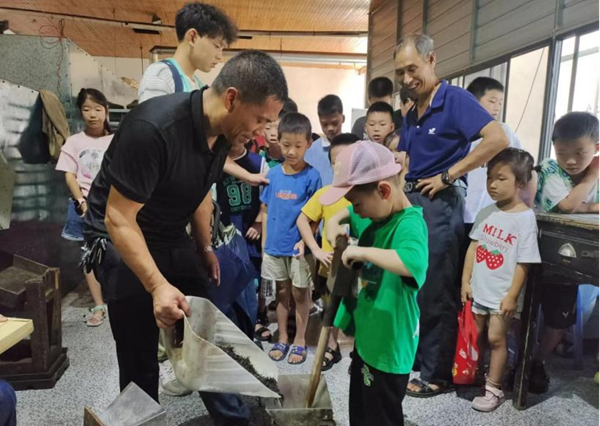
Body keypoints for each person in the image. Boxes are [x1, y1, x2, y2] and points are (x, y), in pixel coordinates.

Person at [82, 50, 288, 426]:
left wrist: (203, 246)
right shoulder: (153, 128)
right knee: (140, 354)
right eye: (260, 119)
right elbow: (118, 218)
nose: (261, 131)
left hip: (170, 233)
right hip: (120, 239)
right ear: (231, 99)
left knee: (205, 331)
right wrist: (157, 285)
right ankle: (139, 419)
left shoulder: (222, 134)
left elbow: (199, 191)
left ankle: (236, 421)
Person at [395, 34, 509, 397]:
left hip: (441, 202)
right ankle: (420, 359)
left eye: (412, 68)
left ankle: (438, 373)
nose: (407, 78)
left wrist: (449, 175)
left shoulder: (455, 99)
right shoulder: (413, 111)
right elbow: (407, 162)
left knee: (437, 289)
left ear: (431, 59)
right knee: (416, 284)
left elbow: (498, 138)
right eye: (400, 72)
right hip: (413, 200)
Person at [321, 141, 428, 426]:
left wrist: (362, 252)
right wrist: (333, 226)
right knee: (360, 414)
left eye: (357, 203)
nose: (356, 211)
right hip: (367, 343)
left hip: (388, 350)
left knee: (381, 418)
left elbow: (412, 262)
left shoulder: (408, 225)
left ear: (383, 190)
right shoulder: (375, 212)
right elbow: (345, 214)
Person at [138, 2, 266, 189]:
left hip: (196, 191)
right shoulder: (161, 74)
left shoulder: (199, 87)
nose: (219, 56)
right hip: (169, 191)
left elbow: (207, 149)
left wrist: (247, 175)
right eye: (216, 46)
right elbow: (147, 138)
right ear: (192, 37)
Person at [461, 148, 541, 411]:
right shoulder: (486, 212)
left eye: (501, 178)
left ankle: (494, 389)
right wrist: (465, 281)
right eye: (489, 178)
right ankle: (479, 376)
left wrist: (512, 296)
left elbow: (525, 262)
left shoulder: (525, 219)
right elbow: (473, 248)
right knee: (477, 337)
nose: (492, 184)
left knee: (497, 339)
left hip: (502, 295)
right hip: (478, 290)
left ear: (520, 182)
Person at [530, 111, 600, 393]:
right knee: (522, 314)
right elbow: (568, 206)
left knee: (559, 317)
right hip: (538, 253)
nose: (570, 161)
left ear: (596, 147)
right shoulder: (549, 168)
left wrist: (585, 205)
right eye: (562, 153)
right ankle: (521, 361)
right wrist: (592, 175)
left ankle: (537, 362)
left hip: (574, 259)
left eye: (580, 153)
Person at [261, 112, 322, 365]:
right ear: (278, 141)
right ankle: (283, 337)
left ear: (309, 143)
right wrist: (265, 245)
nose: (291, 152)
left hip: (299, 248)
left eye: (298, 146)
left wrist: (306, 241)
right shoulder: (273, 175)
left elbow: (316, 215)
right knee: (281, 292)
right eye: (286, 145)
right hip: (275, 246)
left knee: (300, 293)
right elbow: (266, 211)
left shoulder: (312, 176)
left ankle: (300, 340)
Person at [297, 133, 360, 371]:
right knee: (329, 309)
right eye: (336, 163)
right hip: (329, 269)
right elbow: (303, 220)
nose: (342, 168)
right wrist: (315, 249)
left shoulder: (366, 195)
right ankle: (332, 348)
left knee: (359, 311)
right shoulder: (326, 194)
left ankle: (359, 353)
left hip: (360, 270)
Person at [56, 88, 113, 327]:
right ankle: (99, 305)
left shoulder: (116, 140)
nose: (92, 114)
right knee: (90, 254)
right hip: (86, 204)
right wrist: (81, 201)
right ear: (80, 112)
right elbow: (70, 175)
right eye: (87, 109)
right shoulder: (74, 142)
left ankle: (122, 297)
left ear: (106, 111)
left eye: (98, 109)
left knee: (120, 250)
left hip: (113, 205)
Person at [212, 135, 270, 341]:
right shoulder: (214, 161)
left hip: (250, 231)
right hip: (226, 233)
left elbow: (267, 197)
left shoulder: (258, 162)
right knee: (229, 281)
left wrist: (259, 222)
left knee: (252, 280)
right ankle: (232, 326)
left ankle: (253, 321)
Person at [464, 77, 523, 227]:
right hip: (463, 209)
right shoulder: (460, 131)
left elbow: (521, 166)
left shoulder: (505, 132)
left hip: (491, 211)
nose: (497, 107)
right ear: (473, 101)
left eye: (500, 103)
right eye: (492, 101)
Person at [305, 94, 345, 186]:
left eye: (335, 123)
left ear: (343, 118)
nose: (330, 128)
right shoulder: (310, 150)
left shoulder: (352, 146)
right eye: (325, 124)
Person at [261, 98, 298, 169]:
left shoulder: (297, 159)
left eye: (278, 128)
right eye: (268, 128)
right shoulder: (259, 160)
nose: (272, 133)